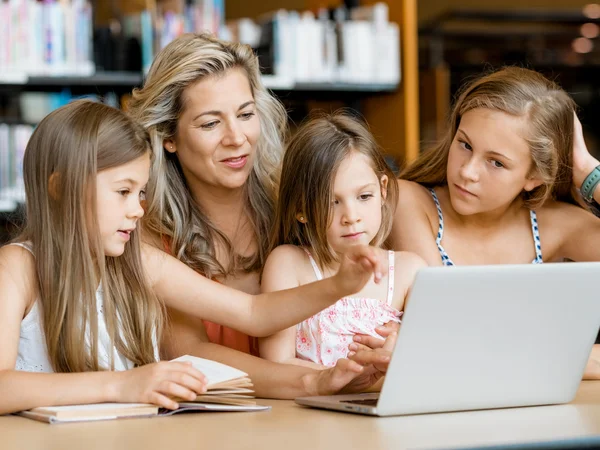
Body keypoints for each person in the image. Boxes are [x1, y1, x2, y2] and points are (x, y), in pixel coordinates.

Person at [0, 101, 396, 415]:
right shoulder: (16, 268)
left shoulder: (138, 263)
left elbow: (254, 313)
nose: (138, 209)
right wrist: (121, 385)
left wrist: (339, 285)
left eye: (141, 194)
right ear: (60, 188)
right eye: (123, 192)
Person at [390, 66, 600, 378]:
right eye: (465, 144)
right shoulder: (408, 201)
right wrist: (572, 359)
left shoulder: (554, 225)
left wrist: (587, 170)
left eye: (496, 162)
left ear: (534, 177)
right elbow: (443, 327)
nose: (468, 171)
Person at [128, 33, 286, 356]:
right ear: (168, 136)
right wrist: (312, 381)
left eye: (245, 115)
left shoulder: (293, 207)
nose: (236, 137)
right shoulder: (143, 230)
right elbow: (193, 356)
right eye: (211, 123)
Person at [259, 113, 425, 369]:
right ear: (301, 208)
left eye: (364, 196)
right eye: (331, 202)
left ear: (382, 189)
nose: (351, 217)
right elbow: (276, 362)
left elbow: (431, 358)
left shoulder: (409, 271)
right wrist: (342, 378)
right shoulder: (289, 264)